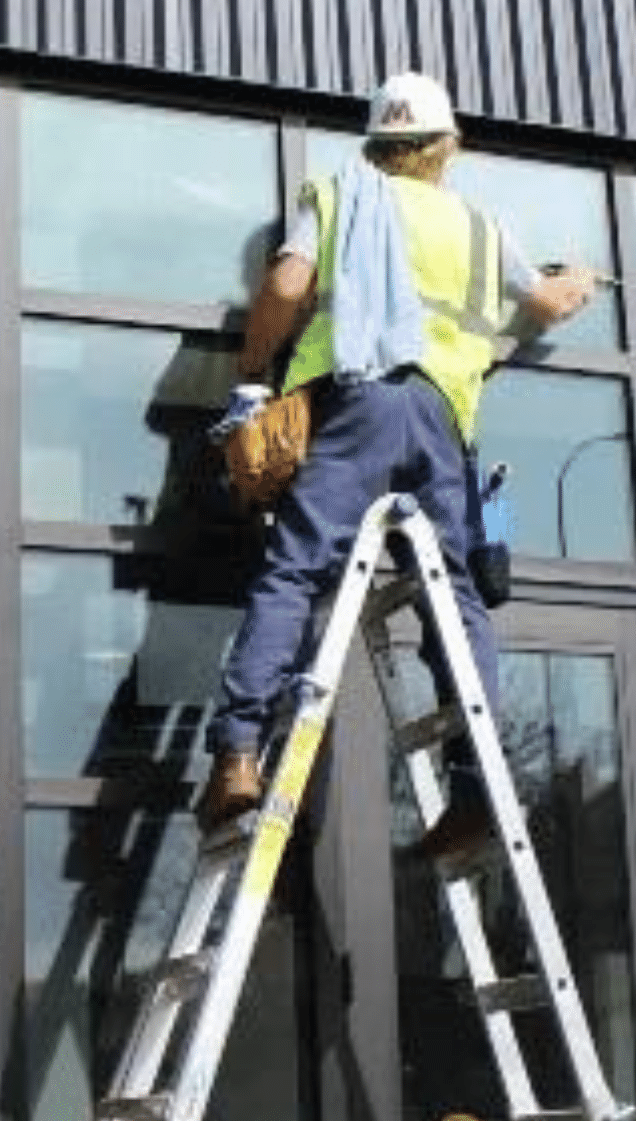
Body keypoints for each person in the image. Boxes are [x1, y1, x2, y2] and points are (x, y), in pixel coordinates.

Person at [196, 72, 599, 836]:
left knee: (295, 569)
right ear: (449, 146)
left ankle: (238, 756)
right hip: (442, 418)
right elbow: (545, 307)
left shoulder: (342, 193)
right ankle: (477, 789)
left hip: (355, 406)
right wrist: (574, 281)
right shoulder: (481, 227)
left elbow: (285, 285)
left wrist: (251, 372)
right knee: (453, 591)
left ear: (377, 144)